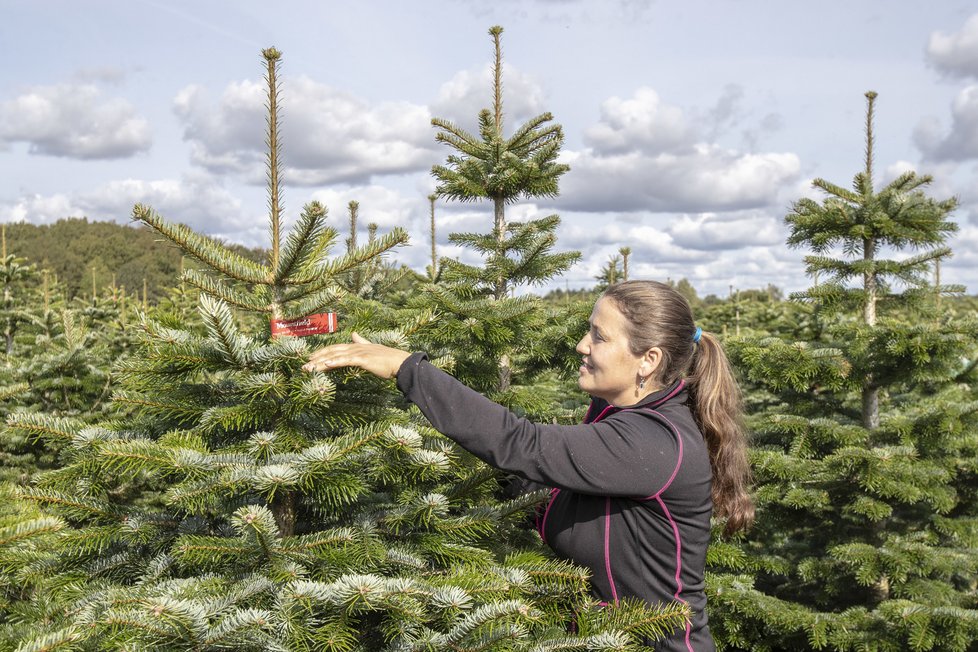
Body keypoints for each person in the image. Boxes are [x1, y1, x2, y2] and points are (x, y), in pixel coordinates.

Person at [303, 280, 753, 652]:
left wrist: (408, 369)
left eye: (599, 335)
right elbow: (548, 488)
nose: (582, 345)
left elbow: (522, 443)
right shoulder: (617, 417)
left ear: (648, 359)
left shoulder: (654, 442)